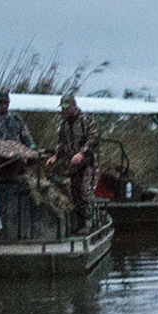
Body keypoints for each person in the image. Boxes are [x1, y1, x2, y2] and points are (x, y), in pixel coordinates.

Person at [53, 93, 99, 226]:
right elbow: (61, 143)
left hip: (87, 164)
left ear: (74, 106)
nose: (64, 111)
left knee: (86, 192)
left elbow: (94, 138)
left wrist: (81, 153)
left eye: (67, 108)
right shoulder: (64, 125)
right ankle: (80, 222)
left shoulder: (86, 121)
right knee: (73, 194)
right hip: (72, 166)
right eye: (62, 108)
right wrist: (56, 155)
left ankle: (92, 223)